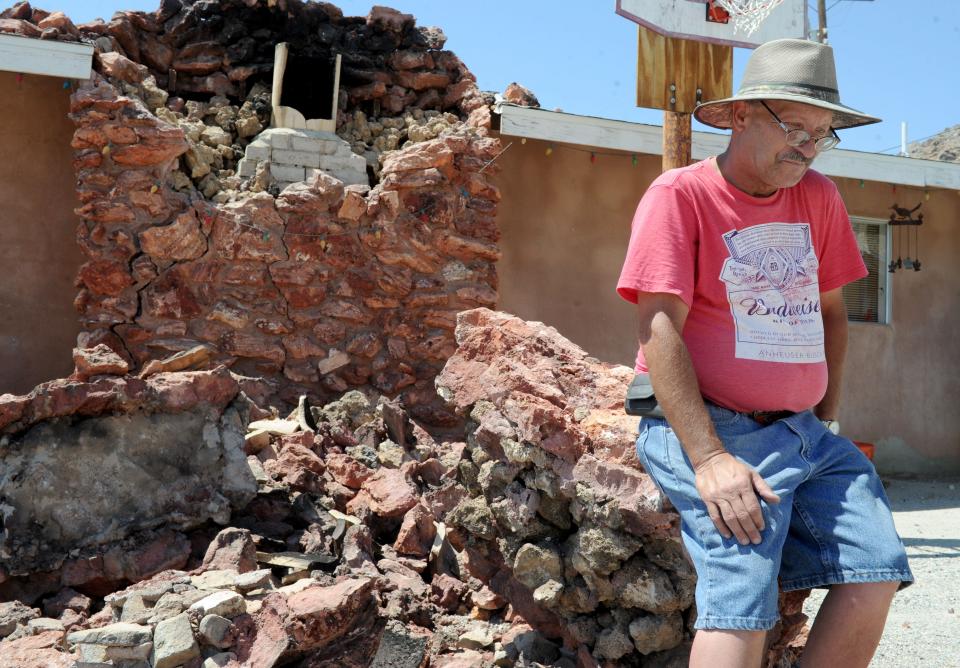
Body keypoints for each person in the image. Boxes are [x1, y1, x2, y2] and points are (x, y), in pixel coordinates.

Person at [616, 39, 912, 668]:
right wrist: (711, 460)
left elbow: (832, 313)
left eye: (821, 133)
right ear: (743, 114)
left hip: (804, 433)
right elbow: (660, 329)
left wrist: (826, 418)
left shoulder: (820, 197)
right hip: (711, 425)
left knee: (876, 569)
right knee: (742, 593)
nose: (806, 145)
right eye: (793, 126)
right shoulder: (681, 195)